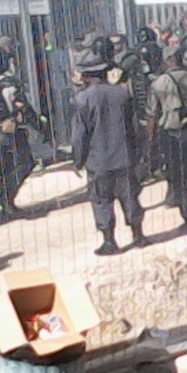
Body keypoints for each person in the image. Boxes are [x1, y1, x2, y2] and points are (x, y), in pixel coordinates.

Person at [71, 53, 147, 255]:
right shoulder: (122, 94)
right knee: (130, 196)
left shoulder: (82, 99)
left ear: (87, 76)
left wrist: (77, 160)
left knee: (101, 200)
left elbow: (80, 134)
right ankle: (138, 235)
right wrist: (138, 153)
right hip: (124, 157)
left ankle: (109, 241)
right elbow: (134, 127)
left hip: (98, 161)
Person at [0, 45, 49, 217]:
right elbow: (24, 109)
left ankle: (6, 203)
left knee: (4, 167)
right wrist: (40, 126)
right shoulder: (9, 84)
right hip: (10, 130)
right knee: (25, 163)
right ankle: (6, 199)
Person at [146, 45, 187, 233]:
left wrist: (150, 140)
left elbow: (152, 115)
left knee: (177, 177)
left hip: (171, 136)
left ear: (167, 60)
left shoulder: (158, 83)